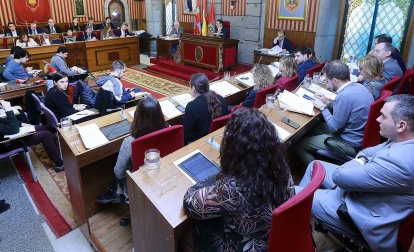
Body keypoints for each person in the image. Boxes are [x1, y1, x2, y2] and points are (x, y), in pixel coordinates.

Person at [297, 94, 414, 251]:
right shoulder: (402, 139)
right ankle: (301, 222)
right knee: (315, 165)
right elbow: (366, 152)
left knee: (293, 193)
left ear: (401, 126)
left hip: (359, 213)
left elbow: (340, 176)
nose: (377, 119)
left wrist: (360, 161)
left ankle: (298, 226)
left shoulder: (401, 163)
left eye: (383, 117)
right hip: (364, 189)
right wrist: (362, 160)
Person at [183, 108, 294, 251]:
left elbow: (190, 203)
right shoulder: (279, 164)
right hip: (273, 233)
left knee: (195, 226)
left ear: (233, 148)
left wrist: (220, 175)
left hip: (250, 243)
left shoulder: (233, 188)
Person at [296, 60, 374, 164]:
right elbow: (347, 109)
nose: (327, 85)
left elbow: (334, 128)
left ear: (335, 80)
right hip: (358, 136)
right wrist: (327, 102)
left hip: (348, 143)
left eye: (327, 81)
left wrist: (323, 108)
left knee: (300, 145)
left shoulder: (345, 96)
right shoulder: (359, 87)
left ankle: (316, 175)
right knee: (312, 127)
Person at [96, 95, 167, 203]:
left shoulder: (130, 141)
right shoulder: (170, 129)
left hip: (140, 181)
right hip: (164, 173)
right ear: (160, 114)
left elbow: (119, 173)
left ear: (137, 115)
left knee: (119, 172)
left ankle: (117, 192)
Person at [0, 99, 64, 172]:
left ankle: (60, 147)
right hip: (6, 144)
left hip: (9, 135)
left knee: (47, 127)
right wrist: (8, 109)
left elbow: (3, 121)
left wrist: (21, 123)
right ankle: (59, 163)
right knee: (46, 134)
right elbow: (14, 130)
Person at [183, 73, 228, 144]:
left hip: (200, 143)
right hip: (219, 137)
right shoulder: (220, 98)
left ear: (194, 88)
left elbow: (187, 137)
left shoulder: (191, 106)